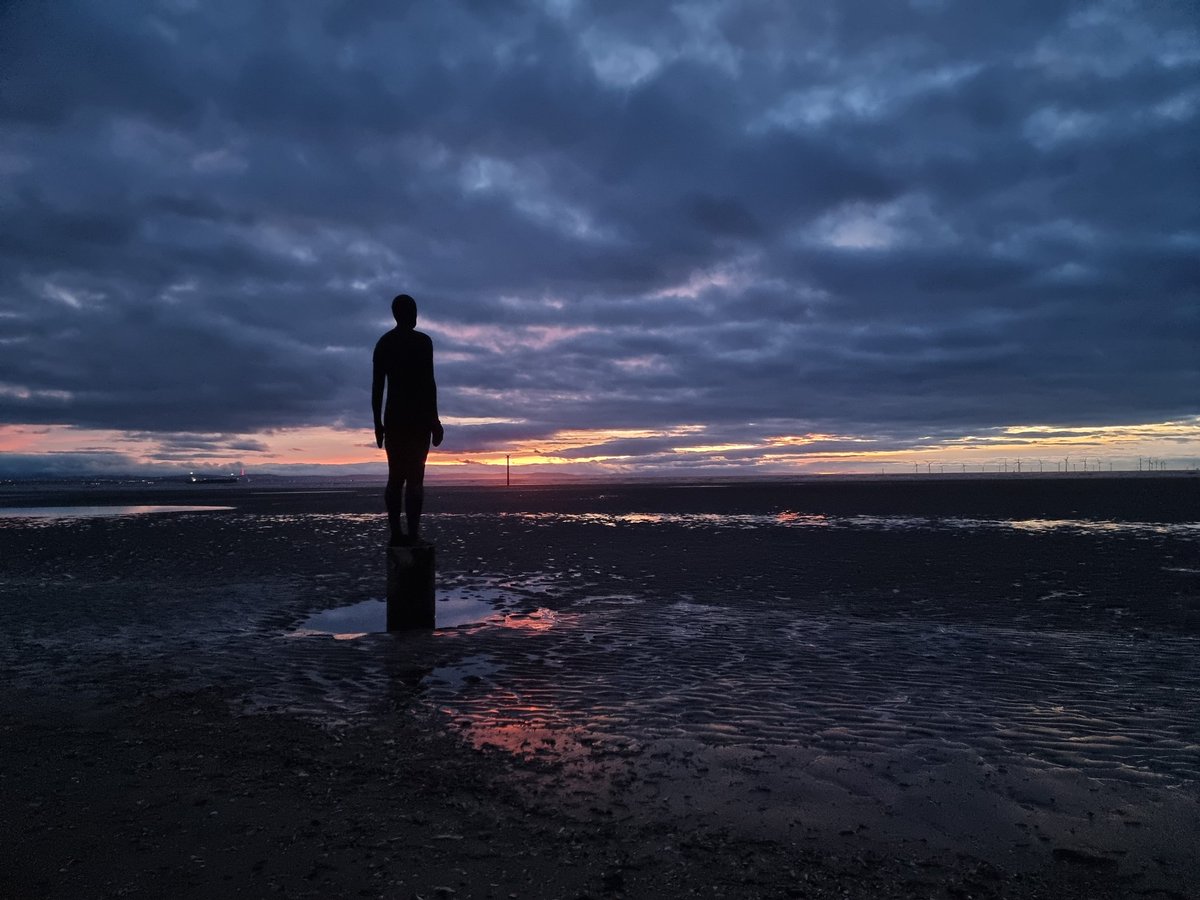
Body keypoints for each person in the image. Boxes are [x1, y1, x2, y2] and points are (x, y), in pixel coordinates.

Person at [372, 294, 444, 546]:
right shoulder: (421, 342)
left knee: (398, 477)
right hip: (414, 419)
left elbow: (377, 389)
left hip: (397, 418)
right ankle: (407, 533)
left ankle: (401, 533)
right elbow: (428, 384)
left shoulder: (385, 343)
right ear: (407, 314)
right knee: (413, 478)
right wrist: (434, 420)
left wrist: (378, 424)